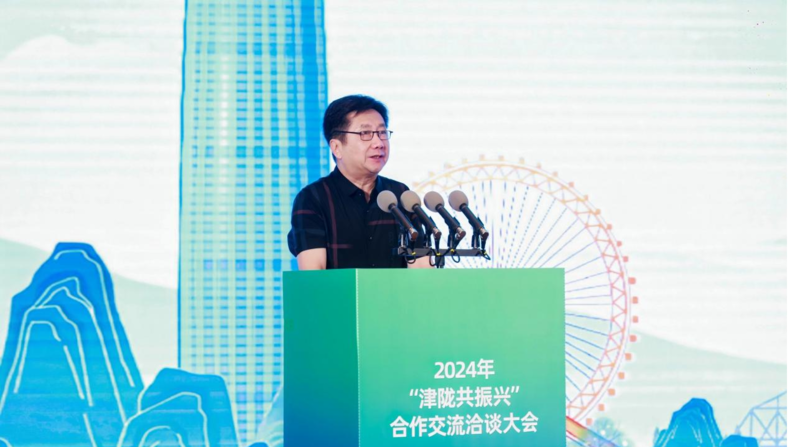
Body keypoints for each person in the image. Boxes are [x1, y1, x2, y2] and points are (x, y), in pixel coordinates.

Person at [287, 94, 432, 270]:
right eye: (365, 133)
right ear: (336, 147)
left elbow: (422, 270)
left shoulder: (400, 195)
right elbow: (313, 275)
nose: (378, 143)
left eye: (382, 132)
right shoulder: (313, 198)